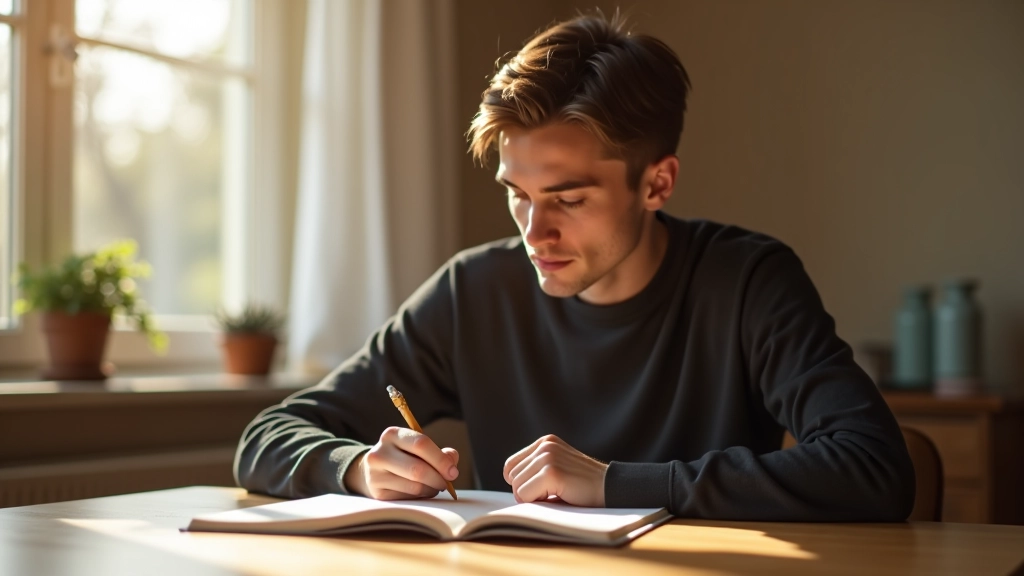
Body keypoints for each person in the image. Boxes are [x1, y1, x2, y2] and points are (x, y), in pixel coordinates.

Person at [235, 12, 914, 521]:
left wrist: (616, 483)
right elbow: (266, 438)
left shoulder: (747, 281)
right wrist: (355, 466)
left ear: (656, 184)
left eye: (568, 199)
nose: (535, 231)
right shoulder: (473, 291)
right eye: (518, 194)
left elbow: (875, 468)